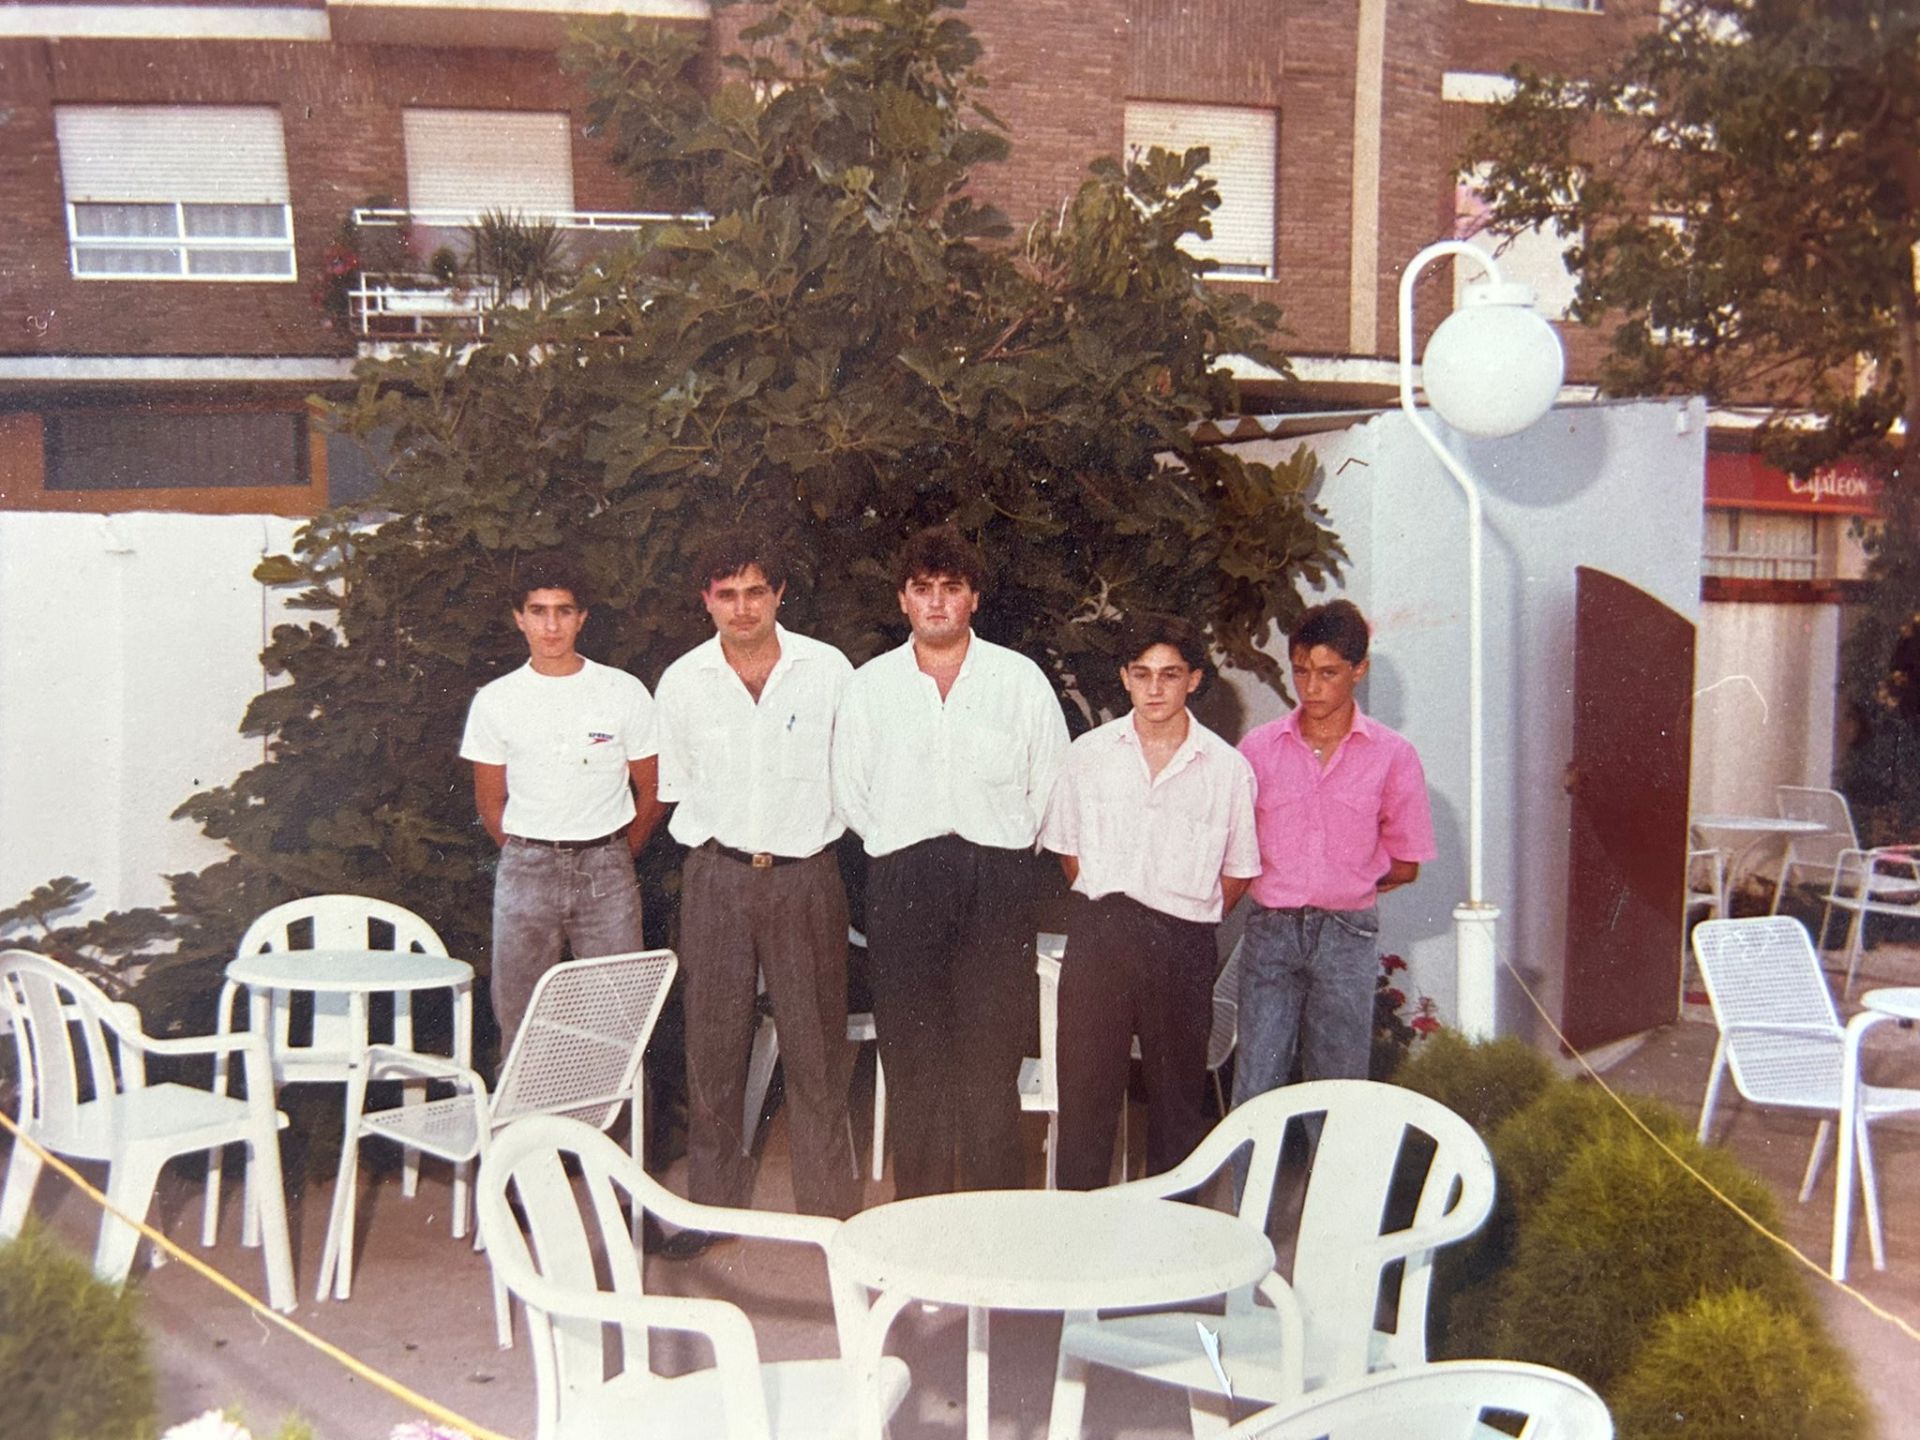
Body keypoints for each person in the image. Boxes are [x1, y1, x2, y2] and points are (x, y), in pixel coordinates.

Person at [832, 525, 1070, 1197]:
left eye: (951, 589)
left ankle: (995, 1235)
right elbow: (850, 789)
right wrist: (904, 843)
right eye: (922, 590)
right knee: (914, 1067)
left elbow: (1051, 782)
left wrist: (1005, 848)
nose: (937, 603)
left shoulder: (1018, 681)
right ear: (904, 601)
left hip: (996, 883)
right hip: (902, 879)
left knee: (989, 1067)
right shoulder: (871, 687)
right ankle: (923, 1238)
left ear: (974, 599)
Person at [653, 534, 861, 1242]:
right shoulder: (681, 682)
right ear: (705, 600)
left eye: (755, 592)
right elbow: (676, 786)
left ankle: (831, 1212)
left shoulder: (828, 670)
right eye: (725, 594)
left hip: (807, 879)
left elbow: (853, 773)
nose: (742, 609)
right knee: (712, 1051)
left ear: (779, 594)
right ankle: (709, 1209)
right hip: (716, 879)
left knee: (817, 1052)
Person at [1039, 614, 1260, 1189]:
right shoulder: (1088, 755)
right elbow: (1068, 853)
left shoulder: (1228, 769)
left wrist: (1179, 912)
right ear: (1125, 678)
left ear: (1194, 679)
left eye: (1170, 674)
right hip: (1101, 937)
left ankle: (1172, 1254)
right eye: (1142, 674)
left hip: (1182, 943)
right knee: (1087, 1097)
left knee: (1177, 1106)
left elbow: (1236, 874)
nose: (1155, 688)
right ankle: (1080, 1246)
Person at [1233, 598, 1436, 1104]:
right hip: (1270, 931)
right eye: (1301, 672)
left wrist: (1345, 871)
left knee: (1338, 1089)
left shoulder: (1393, 756)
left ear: (1359, 670)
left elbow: (1406, 862)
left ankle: (1334, 1184)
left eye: (1328, 673)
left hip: (1347, 937)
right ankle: (1248, 1185)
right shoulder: (1258, 750)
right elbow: (1234, 843)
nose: (1312, 688)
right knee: (1257, 1083)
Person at [459, 554, 666, 1049]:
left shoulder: (622, 691)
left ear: (582, 618)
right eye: (538, 611)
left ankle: (612, 1129)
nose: (551, 625)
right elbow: (491, 803)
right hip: (525, 872)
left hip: (607, 872)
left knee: (618, 1023)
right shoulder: (496, 699)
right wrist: (534, 855)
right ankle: (524, 1128)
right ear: (519, 617)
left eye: (563, 611)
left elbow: (653, 790)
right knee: (521, 1020)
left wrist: (614, 851)